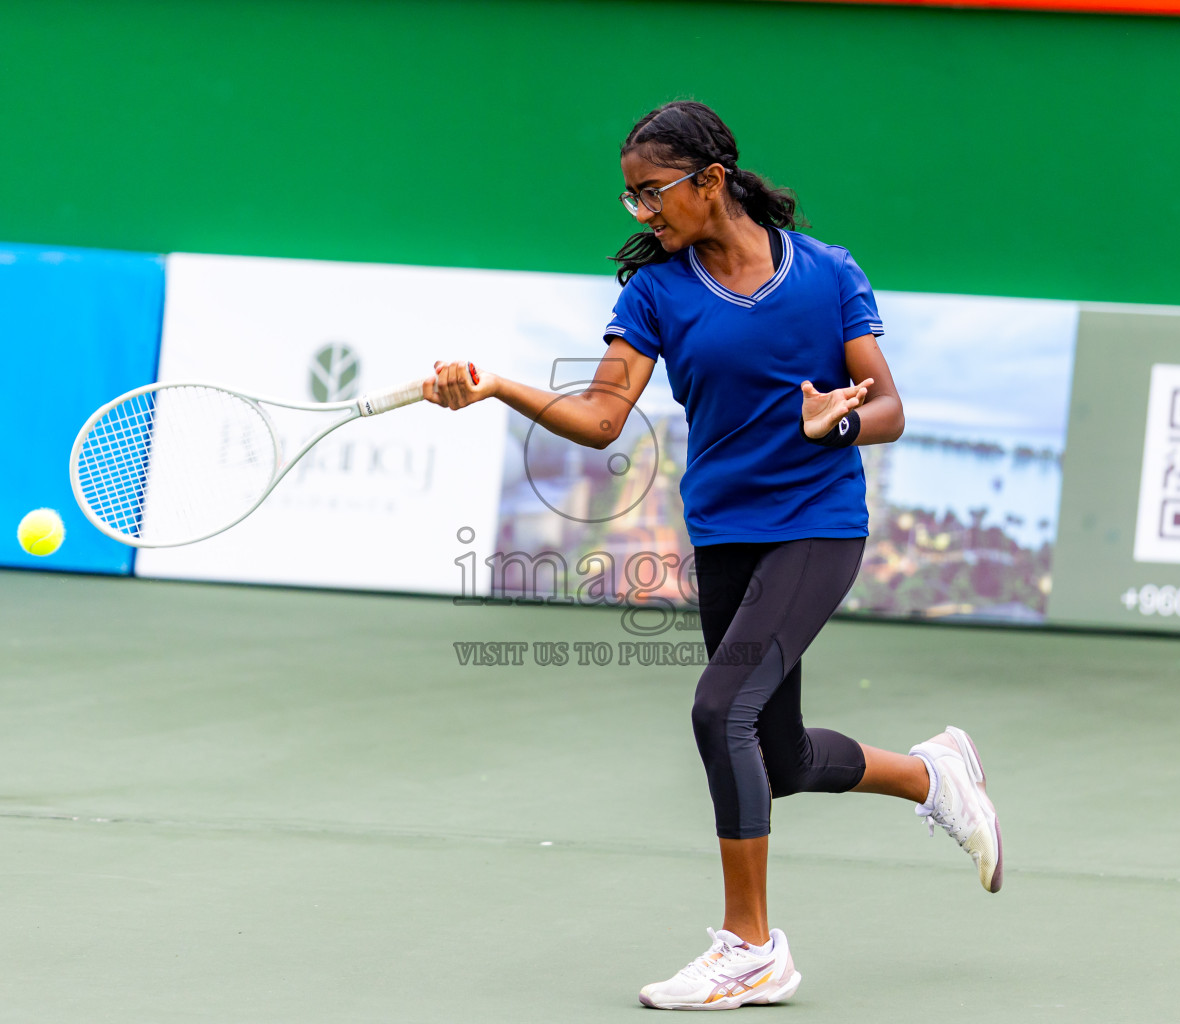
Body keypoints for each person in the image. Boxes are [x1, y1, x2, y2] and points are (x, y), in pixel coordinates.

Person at [425, 100, 1002, 1011]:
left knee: (719, 709)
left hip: (816, 523)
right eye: (631, 200)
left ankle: (751, 947)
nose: (644, 213)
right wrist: (496, 386)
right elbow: (603, 418)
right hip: (726, 534)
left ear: (713, 181)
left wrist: (838, 420)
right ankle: (933, 775)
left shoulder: (827, 275)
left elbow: (888, 409)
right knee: (777, 756)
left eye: (653, 194)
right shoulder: (654, 292)